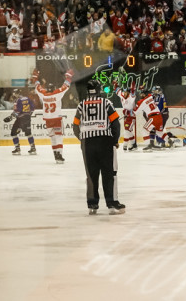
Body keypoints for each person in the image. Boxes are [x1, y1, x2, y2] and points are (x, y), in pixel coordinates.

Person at [72, 80, 125, 215]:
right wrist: (114, 140)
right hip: (105, 141)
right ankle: (112, 203)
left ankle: (92, 204)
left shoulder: (81, 105)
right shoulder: (106, 103)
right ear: (99, 89)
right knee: (109, 173)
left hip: (88, 143)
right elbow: (115, 123)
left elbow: (75, 125)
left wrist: (82, 139)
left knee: (91, 174)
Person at [32, 68, 74, 163]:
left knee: (53, 137)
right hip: (56, 118)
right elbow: (65, 86)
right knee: (58, 136)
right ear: (54, 88)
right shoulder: (57, 94)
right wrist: (69, 77)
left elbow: (37, 86)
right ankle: (59, 154)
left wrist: (35, 78)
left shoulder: (43, 94)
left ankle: (55, 154)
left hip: (47, 119)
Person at [4, 89, 37, 155]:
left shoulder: (17, 100)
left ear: (16, 94)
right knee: (28, 133)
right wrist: (27, 115)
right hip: (27, 118)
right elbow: (32, 108)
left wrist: (10, 117)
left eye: (14, 93)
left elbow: (17, 111)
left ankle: (17, 149)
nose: (13, 95)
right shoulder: (27, 98)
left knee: (13, 133)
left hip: (20, 119)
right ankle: (33, 148)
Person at [134, 85, 165, 150]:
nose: (140, 95)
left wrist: (129, 113)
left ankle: (149, 145)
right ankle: (169, 141)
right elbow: (150, 94)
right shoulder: (150, 97)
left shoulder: (141, 102)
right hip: (159, 116)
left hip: (153, 117)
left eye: (142, 94)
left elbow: (135, 112)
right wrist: (143, 89)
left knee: (145, 130)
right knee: (159, 132)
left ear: (145, 95)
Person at [113, 81, 138, 151]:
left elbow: (133, 92)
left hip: (132, 116)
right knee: (128, 131)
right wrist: (115, 85)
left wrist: (133, 88)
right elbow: (117, 91)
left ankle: (125, 144)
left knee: (127, 130)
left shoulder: (131, 97)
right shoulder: (122, 95)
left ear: (129, 93)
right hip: (126, 117)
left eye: (126, 92)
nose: (125, 93)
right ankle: (133, 144)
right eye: (124, 92)